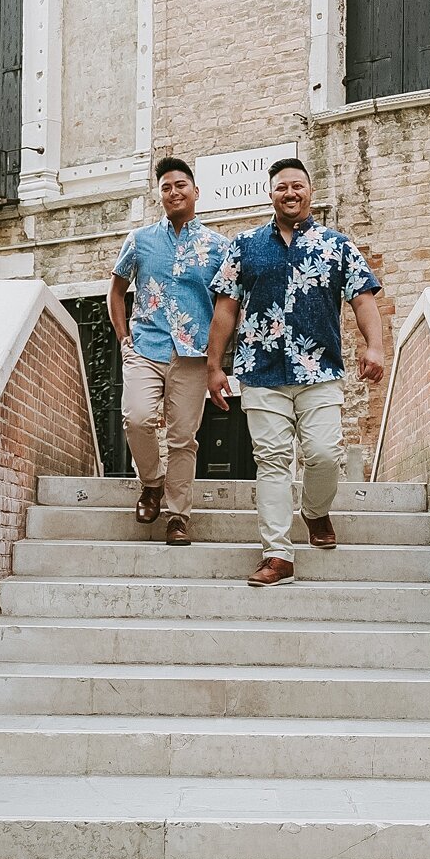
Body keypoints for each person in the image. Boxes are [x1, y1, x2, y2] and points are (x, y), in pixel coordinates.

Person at [205, 157, 385, 587]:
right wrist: (215, 366)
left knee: (324, 454)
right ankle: (278, 555)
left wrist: (374, 345)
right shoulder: (244, 245)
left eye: (298, 186)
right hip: (260, 371)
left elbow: (363, 299)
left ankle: (315, 510)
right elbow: (225, 310)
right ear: (271, 193)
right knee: (271, 462)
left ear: (310, 192)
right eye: (282, 186)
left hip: (319, 369)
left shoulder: (337, 245)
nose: (290, 193)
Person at [109, 157, 235, 546]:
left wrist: (217, 361)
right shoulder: (139, 240)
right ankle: (151, 483)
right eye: (166, 187)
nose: (174, 192)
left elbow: (226, 306)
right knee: (138, 418)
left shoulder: (219, 246)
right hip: (146, 346)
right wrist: (122, 336)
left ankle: (178, 515)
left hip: (193, 355)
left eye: (181, 185)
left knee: (183, 437)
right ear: (159, 195)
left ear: (196, 191)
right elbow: (116, 291)